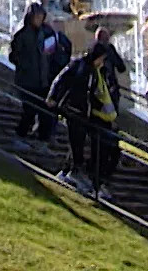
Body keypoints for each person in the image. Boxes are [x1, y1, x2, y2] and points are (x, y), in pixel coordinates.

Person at [49, 42, 117, 197]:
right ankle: (74, 172)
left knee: (78, 142)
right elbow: (62, 79)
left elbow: (92, 93)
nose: (102, 62)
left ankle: (68, 171)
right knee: (77, 141)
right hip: (74, 109)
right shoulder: (80, 65)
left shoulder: (94, 71)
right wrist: (53, 97)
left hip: (84, 112)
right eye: (102, 58)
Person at [9, 4, 57, 142]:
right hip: (27, 81)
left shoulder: (46, 33)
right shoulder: (22, 35)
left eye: (41, 17)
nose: (39, 19)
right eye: (37, 17)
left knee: (46, 113)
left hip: (43, 80)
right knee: (29, 111)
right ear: (31, 17)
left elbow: (51, 53)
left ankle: (42, 140)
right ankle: (20, 135)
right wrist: (25, 64)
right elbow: (13, 56)